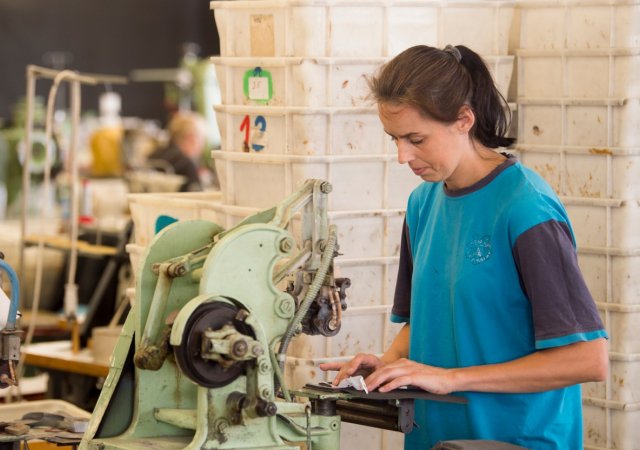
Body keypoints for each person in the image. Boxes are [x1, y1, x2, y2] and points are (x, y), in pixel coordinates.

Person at [320, 45, 608, 450]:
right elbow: (424, 322)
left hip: (512, 439)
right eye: (395, 139)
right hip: (435, 437)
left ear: (464, 120)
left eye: (416, 139)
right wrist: (388, 363)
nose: (403, 156)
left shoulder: (526, 209)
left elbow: (587, 359)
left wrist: (450, 378)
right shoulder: (423, 205)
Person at [147, 111, 207, 191]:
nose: (202, 146)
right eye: (202, 139)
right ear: (191, 138)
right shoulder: (187, 164)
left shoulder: (154, 154)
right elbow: (199, 195)